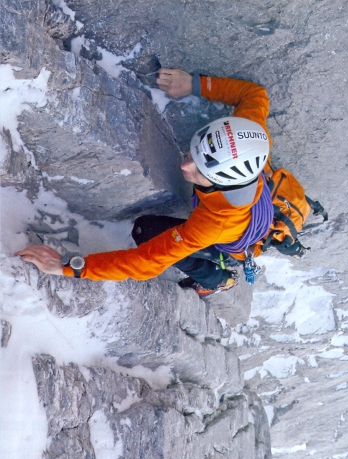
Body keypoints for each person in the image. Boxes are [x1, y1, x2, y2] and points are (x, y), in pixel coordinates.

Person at [16, 68, 274, 296]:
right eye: (192, 153)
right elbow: (254, 95)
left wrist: (67, 266)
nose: (185, 165)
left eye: (199, 169)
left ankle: (218, 279)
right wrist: (194, 85)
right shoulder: (247, 139)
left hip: (228, 241)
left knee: (145, 231)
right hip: (253, 216)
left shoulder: (212, 225)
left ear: (221, 182)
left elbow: (146, 261)